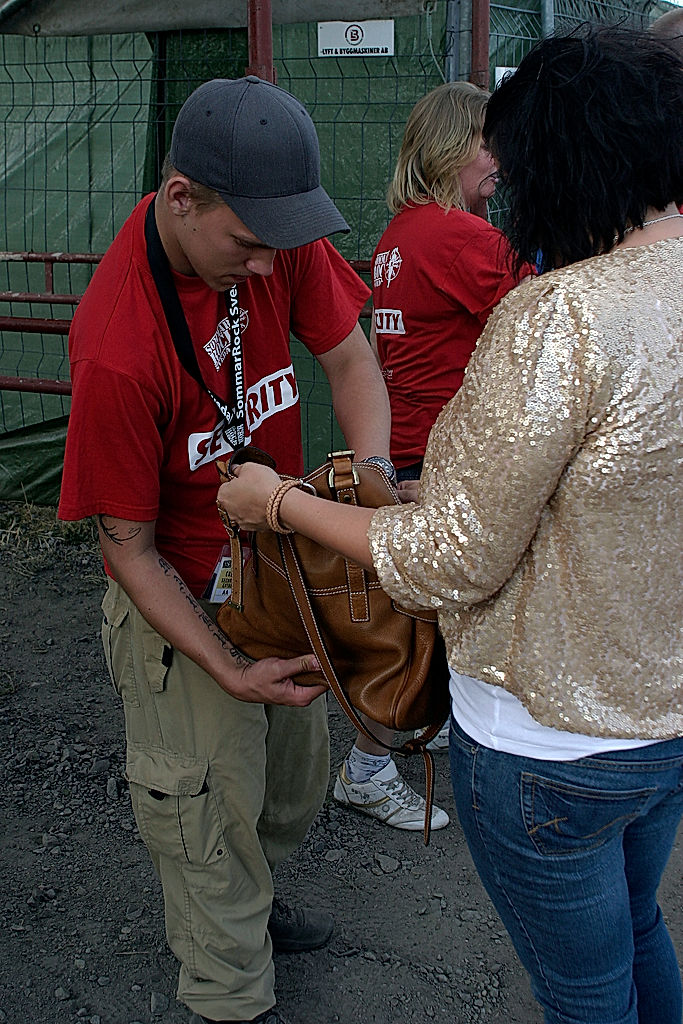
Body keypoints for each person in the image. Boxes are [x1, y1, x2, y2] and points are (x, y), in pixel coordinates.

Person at [218, 26, 683, 1024]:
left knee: (583, 991)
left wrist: (281, 504)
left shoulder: (554, 316)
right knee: (639, 927)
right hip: (664, 715)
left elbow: (443, 565)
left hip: (548, 738)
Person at [58, 76, 394, 1024]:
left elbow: (351, 361)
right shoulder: (119, 345)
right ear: (179, 199)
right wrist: (223, 668)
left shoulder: (270, 236)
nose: (266, 266)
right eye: (246, 245)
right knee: (202, 811)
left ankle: (249, 891)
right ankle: (227, 985)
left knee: (289, 785)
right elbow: (125, 546)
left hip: (278, 568)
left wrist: (362, 498)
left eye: (277, 244)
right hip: (180, 596)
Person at [334, 82, 533, 827]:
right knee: (413, 628)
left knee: (421, 619)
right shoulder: (463, 237)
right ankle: (365, 767)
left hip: (410, 449)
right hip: (441, 460)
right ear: (453, 148)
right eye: (489, 143)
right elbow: (542, 323)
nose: (501, 160)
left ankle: (423, 726)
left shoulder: (400, 233)